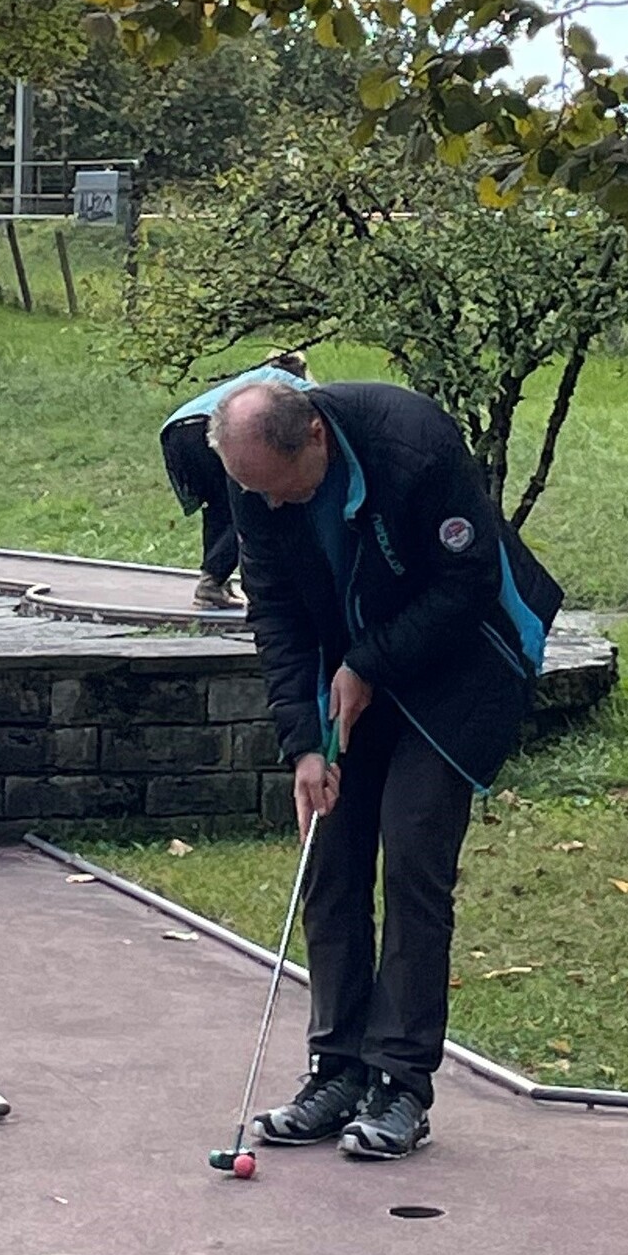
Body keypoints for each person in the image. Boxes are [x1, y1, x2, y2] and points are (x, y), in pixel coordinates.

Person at [214, 376, 563, 1160]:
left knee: (411, 852)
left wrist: (367, 663)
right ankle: (335, 1071)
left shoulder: (412, 445)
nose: (265, 507)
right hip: (353, 665)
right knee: (330, 851)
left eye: (275, 488)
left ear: (315, 439)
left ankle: (401, 1084)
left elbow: (467, 583)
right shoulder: (255, 484)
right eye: (249, 491)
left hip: (463, 663)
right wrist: (304, 743)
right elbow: (274, 612)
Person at [160, 349, 308, 609]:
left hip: (176, 431)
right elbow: (319, 403)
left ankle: (214, 584)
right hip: (211, 428)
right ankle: (213, 580)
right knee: (246, 506)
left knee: (219, 508)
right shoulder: (282, 384)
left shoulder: (252, 377)